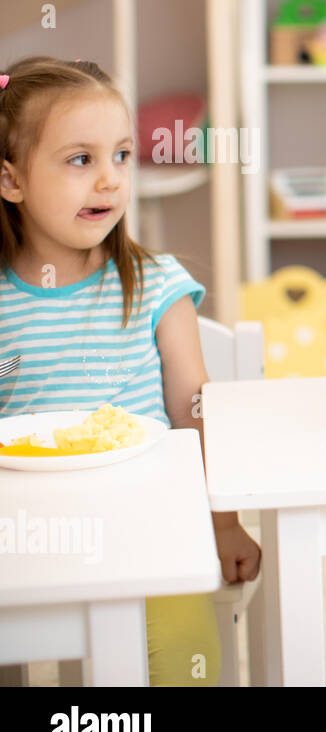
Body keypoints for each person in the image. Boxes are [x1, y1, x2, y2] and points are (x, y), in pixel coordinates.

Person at [0, 57, 261, 685]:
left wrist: (222, 522)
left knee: (185, 659)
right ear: (10, 181)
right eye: (80, 160)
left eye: (120, 156)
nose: (110, 181)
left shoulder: (154, 286)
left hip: (151, 528)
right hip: (23, 539)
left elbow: (194, 410)